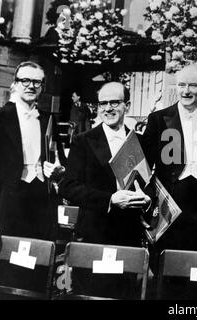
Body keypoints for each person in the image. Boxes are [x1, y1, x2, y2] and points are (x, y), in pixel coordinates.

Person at [141, 65, 197, 272]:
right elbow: (145, 165)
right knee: (165, 264)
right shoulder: (158, 119)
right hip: (169, 200)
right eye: (182, 85)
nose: (186, 91)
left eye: (193, 85)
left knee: (196, 265)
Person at [59, 82, 151, 247]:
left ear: (127, 106)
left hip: (129, 234)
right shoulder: (83, 141)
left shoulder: (141, 141)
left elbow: (149, 182)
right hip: (93, 233)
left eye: (114, 102)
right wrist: (109, 199)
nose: (108, 108)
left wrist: (147, 200)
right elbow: (68, 186)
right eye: (103, 103)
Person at [0, 61, 65, 256]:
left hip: (43, 201)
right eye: (25, 81)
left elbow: (62, 163)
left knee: (40, 261)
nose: (31, 86)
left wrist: (59, 172)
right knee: (9, 264)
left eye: (37, 82)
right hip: (10, 202)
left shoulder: (48, 119)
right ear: (14, 84)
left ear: (42, 87)